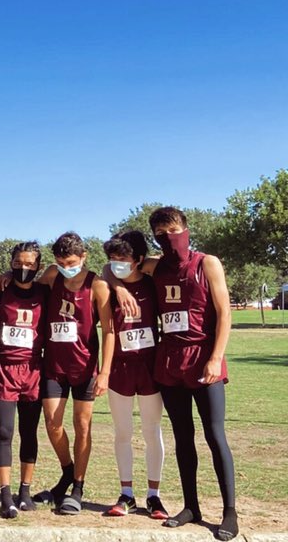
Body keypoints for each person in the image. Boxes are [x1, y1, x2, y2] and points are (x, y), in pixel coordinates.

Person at [108, 207, 237, 541]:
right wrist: (119, 288)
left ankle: (229, 512)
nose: (168, 238)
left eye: (173, 230)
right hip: (170, 361)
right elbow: (110, 268)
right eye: (160, 234)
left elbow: (224, 314)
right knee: (183, 437)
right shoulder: (154, 265)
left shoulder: (207, 262)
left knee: (214, 435)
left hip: (203, 358)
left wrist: (216, 358)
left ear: (185, 228)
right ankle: (191, 506)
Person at [35, 232, 115, 515]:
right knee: (52, 424)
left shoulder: (98, 285)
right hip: (54, 366)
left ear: (83, 257)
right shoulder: (52, 276)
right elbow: (26, 285)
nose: (65, 266)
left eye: (70, 261)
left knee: (82, 427)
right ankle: (67, 471)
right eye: (59, 261)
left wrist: (105, 372)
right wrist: (8, 274)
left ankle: (77, 487)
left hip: (85, 368)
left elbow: (108, 330)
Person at [102, 232, 168, 519]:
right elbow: (108, 330)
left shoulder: (153, 284)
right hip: (120, 369)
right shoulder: (105, 287)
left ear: (139, 260)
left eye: (123, 260)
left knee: (152, 431)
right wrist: (117, 287)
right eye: (113, 259)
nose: (116, 264)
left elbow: (161, 261)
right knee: (123, 433)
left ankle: (154, 496)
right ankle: (126, 494)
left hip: (151, 368)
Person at [0, 242, 49, 518]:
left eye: (29, 264)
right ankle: (5, 495)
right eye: (18, 263)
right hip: (3, 371)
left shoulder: (44, 293)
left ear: (37, 266)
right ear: (11, 263)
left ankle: (25, 492)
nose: (23, 268)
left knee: (29, 432)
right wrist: (1, 275)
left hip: (34, 372)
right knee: (4, 432)